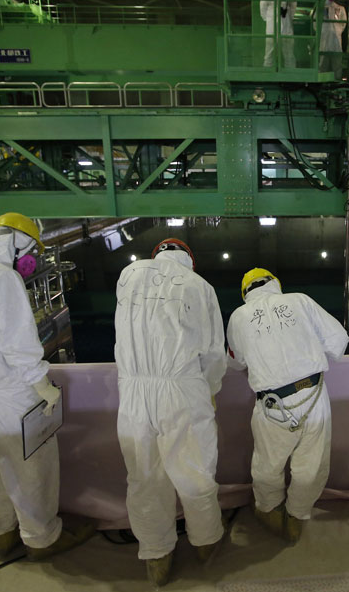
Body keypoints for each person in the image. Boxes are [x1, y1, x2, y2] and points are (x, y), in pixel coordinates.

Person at [0, 212, 94, 561]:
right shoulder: (1, 278)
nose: (33, 260)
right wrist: (42, 385)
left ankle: (0, 532)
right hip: (10, 394)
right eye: (33, 251)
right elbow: (17, 343)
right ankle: (42, 538)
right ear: (19, 243)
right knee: (30, 470)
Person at [114, 238, 226, 586]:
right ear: (188, 261)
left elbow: (120, 339)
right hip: (181, 389)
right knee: (194, 472)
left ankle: (156, 555)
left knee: (144, 477)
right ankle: (206, 544)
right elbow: (212, 353)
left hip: (133, 392)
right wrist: (209, 390)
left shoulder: (128, 276)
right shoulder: (199, 286)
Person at [227, 269, 349, 543]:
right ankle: (297, 516)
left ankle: (269, 511)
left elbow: (236, 361)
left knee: (267, 465)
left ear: (246, 293)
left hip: (272, 404)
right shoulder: (301, 301)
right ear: (276, 284)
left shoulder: (239, 316)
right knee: (312, 464)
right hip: (314, 397)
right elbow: (338, 340)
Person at [260, 0, 298, 68]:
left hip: (286, 25)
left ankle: (291, 74)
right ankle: (267, 73)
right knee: (270, 51)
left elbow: (293, 7)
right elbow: (263, 6)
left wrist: (289, 17)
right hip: (272, 24)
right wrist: (268, 19)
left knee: (289, 52)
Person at [318, 0, 346, 79]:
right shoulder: (321, 7)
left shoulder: (340, 8)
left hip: (336, 42)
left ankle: (337, 83)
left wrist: (336, 31)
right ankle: (320, 83)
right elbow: (315, 24)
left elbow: (343, 23)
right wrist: (324, 32)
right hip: (324, 41)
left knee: (337, 65)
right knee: (322, 64)